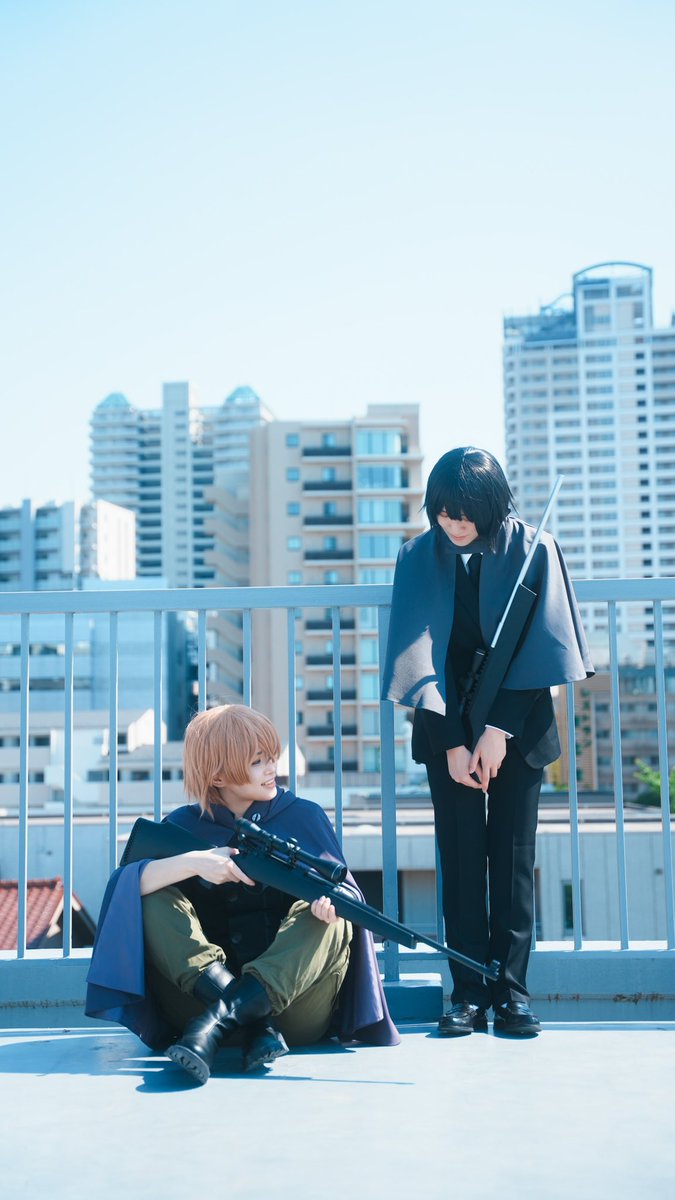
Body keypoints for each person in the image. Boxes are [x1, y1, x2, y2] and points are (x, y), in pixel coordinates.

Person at [381, 447, 593, 1037]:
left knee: (513, 860)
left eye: (466, 513)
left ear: (494, 504)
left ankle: (513, 993)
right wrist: (453, 740)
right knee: (461, 858)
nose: (454, 524)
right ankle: (469, 992)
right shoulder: (417, 556)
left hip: (518, 728)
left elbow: (545, 647)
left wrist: (497, 731)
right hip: (445, 727)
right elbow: (419, 653)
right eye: (444, 512)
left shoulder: (535, 549)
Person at [86, 704, 399, 1083]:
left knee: (332, 912)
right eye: (257, 761)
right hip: (193, 1006)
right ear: (218, 775)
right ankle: (253, 1022)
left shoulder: (304, 816)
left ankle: (220, 1020)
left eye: (272, 757)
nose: (272, 768)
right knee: (147, 892)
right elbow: (123, 891)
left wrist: (328, 910)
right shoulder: (182, 826)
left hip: (288, 1014)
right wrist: (195, 863)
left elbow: (347, 896)